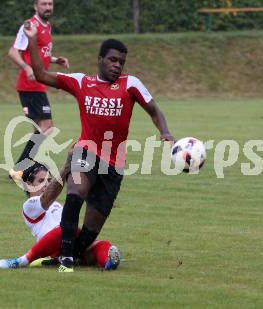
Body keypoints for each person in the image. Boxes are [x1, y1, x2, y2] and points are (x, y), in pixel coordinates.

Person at [23, 23, 175, 272]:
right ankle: (66, 259)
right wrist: (31, 41)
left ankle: (68, 253)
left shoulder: (131, 84)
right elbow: (40, 74)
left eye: (121, 62)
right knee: (76, 192)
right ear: (100, 59)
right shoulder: (82, 82)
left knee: (91, 229)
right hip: (86, 151)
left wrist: (165, 132)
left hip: (114, 164)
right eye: (113, 60)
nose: (117, 65)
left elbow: (154, 109)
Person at [0, 161, 121, 271]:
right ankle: (22, 260)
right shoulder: (29, 206)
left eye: (49, 180)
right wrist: (67, 166)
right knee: (64, 229)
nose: (47, 184)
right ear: (29, 185)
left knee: (102, 245)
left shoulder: (57, 205)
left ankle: (108, 262)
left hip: (70, 240)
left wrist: (99, 201)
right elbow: (48, 197)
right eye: (41, 181)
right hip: (54, 245)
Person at [7, 0, 69, 178]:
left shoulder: (46, 26)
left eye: (50, 4)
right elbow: (13, 51)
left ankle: (21, 167)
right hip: (30, 84)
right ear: (35, 6)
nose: (48, 7)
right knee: (47, 127)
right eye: (44, 4)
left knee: (40, 128)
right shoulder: (29, 26)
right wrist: (26, 68)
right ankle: (20, 168)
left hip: (39, 84)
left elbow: (41, 52)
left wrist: (56, 60)